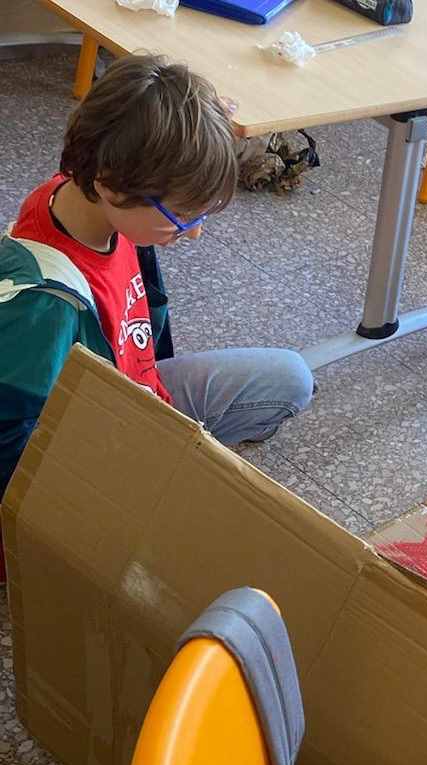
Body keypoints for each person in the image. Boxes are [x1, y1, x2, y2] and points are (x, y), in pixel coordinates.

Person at [0, 54, 313, 499]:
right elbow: (16, 462)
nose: (195, 232)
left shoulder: (77, 192)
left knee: (291, 378)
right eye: (183, 215)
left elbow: (142, 114)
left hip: (136, 393)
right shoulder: (47, 307)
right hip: (104, 440)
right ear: (111, 186)